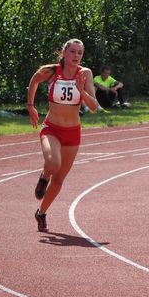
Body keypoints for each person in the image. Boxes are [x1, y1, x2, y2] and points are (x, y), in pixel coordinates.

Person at [26, 39, 99, 232]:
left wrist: (81, 90)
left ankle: (41, 213)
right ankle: (44, 176)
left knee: (58, 180)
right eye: (72, 52)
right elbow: (34, 79)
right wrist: (31, 106)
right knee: (53, 164)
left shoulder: (85, 74)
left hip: (72, 133)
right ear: (64, 53)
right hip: (51, 128)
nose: (76, 56)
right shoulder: (52, 72)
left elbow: (93, 107)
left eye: (80, 53)